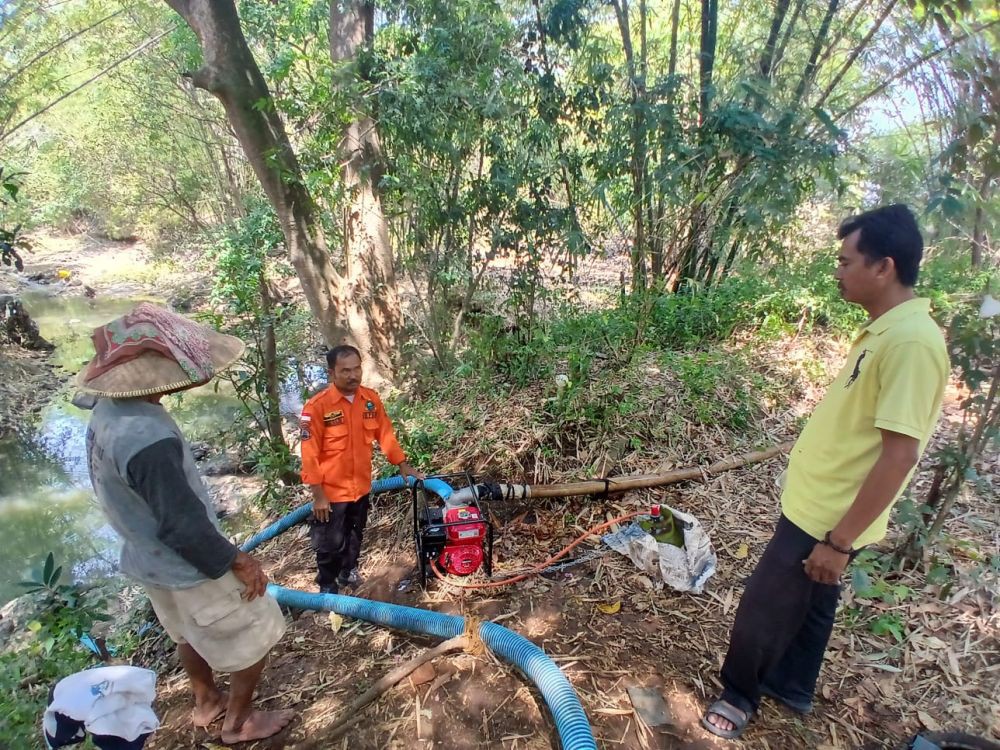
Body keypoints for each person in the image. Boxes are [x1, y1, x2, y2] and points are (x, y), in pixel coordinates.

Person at [701, 204, 949, 740]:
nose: (837, 271)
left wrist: (838, 541)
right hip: (824, 503)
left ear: (883, 267)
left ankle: (739, 694)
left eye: (845, 260)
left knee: (764, 609)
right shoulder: (886, 331)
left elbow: (900, 454)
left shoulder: (911, 343)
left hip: (829, 516)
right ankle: (792, 684)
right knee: (813, 599)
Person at [79, 303, 294, 745]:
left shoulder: (108, 412)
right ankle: (239, 723)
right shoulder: (148, 438)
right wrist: (238, 560)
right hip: (187, 564)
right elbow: (183, 526)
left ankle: (206, 701)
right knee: (255, 634)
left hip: (148, 559)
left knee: (185, 632)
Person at [299, 345, 423, 594]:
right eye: (345, 370)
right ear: (331, 373)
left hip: (361, 487)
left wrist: (402, 463)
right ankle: (327, 586)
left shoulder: (370, 399)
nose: (353, 375)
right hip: (331, 493)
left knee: (355, 533)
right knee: (329, 543)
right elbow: (309, 453)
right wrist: (318, 495)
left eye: (357, 369)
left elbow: (385, 434)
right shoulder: (317, 408)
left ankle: (349, 572)